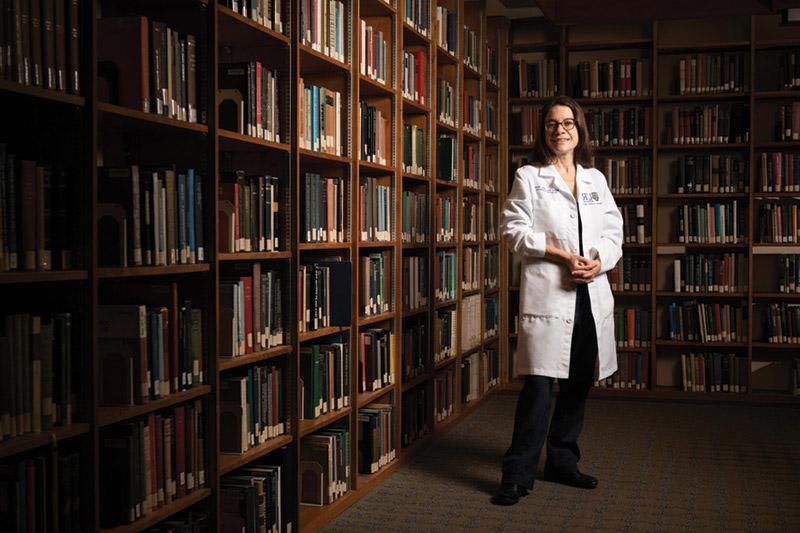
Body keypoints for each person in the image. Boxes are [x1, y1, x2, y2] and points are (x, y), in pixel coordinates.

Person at [492, 96, 623, 506]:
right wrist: (560, 254)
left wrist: (598, 261)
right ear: (543, 131)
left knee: (579, 381)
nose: (560, 130)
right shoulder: (529, 177)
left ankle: (563, 461)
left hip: (591, 291)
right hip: (551, 292)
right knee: (538, 387)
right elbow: (512, 230)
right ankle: (517, 473)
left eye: (568, 123)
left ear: (579, 129)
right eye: (552, 124)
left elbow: (614, 233)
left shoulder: (595, 180)